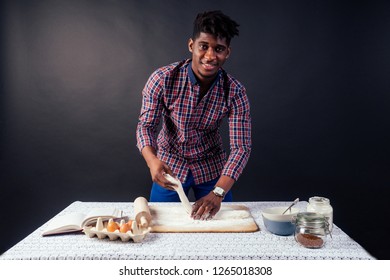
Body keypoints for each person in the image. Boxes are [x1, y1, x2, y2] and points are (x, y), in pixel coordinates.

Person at [136, 10, 251, 220]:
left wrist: (218, 192)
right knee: (162, 226)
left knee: (221, 230)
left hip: (212, 170)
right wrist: (152, 161)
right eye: (204, 46)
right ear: (192, 46)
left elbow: (241, 148)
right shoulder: (162, 79)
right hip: (169, 168)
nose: (210, 56)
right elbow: (146, 126)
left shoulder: (235, 91)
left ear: (227, 52)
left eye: (219, 49)